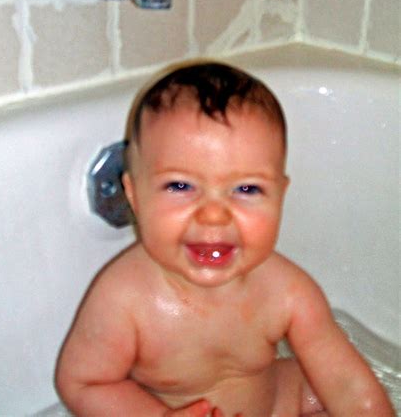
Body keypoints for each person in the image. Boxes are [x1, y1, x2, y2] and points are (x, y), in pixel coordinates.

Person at [55, 61, 394, 417]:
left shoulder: (289, 292)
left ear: (281, 195)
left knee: (331, 392)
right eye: (180, 186)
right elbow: (84, 382)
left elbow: (346, 384)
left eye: (247, 188)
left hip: (281, 403)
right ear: (134, 196)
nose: (214, 215)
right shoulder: (125, 298)